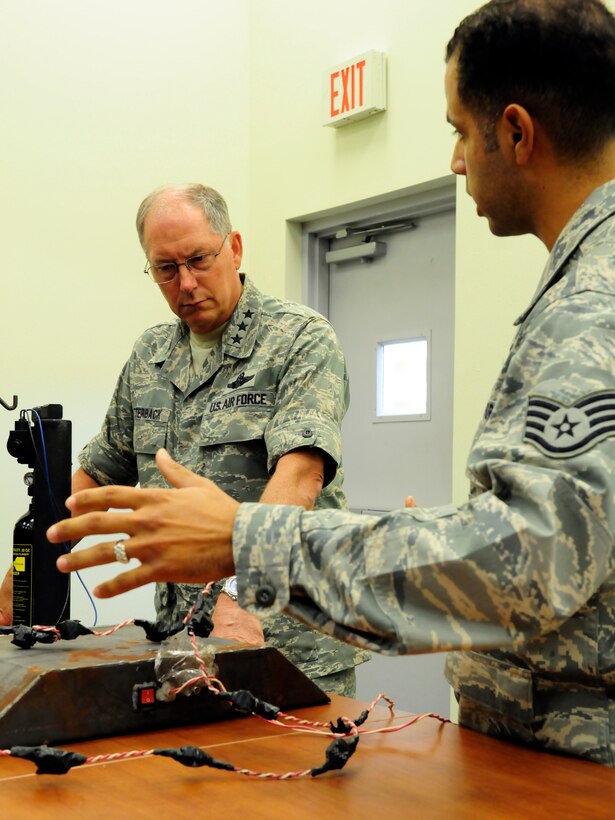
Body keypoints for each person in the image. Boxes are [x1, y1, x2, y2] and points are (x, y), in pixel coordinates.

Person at [48, 0, 615, 765]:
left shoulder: (590, 303)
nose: (453, 159)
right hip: (193, 654)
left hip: (532, 749)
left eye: (455, 130)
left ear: (514, 131)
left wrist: (244, 544)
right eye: (165, 269)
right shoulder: (578, 286)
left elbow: (532, 562)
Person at [3, 183, 370, 695]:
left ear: (234, 248)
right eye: (166, 269)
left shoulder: (299, 339)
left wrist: (243, 597)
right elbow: (96, 475)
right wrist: (23, 582)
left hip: (290, 646)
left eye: (199, 259)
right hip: (182, 649)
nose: (187, 283)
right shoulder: (150, 355)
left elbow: (300, 476)